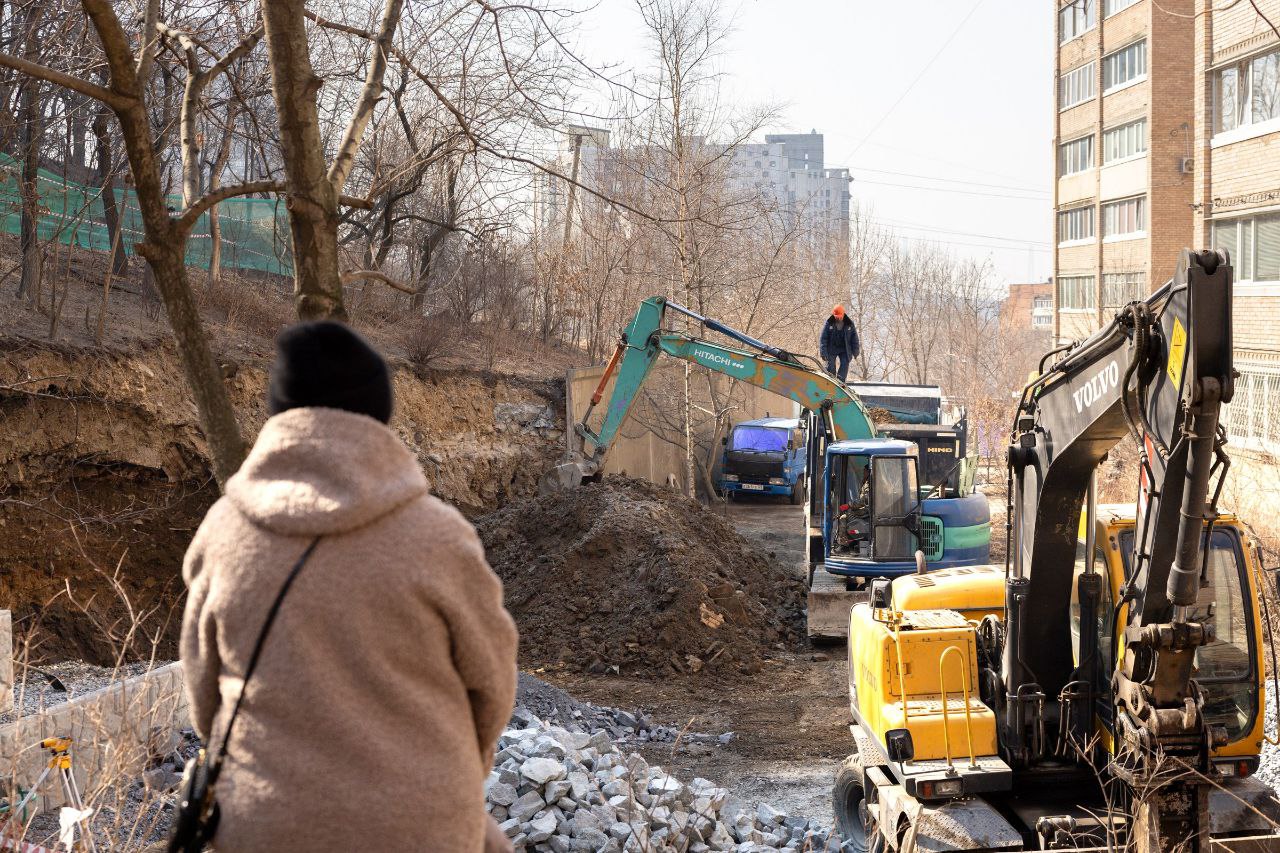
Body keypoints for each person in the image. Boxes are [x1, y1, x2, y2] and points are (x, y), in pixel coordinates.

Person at [180, 322, 518, 853]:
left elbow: (203, 697)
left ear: (279, 415)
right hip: (420, 827)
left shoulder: (223, 532)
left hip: (267, 830)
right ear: (379, 415)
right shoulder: (440, 537)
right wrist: (448, 775)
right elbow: (493, 684)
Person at [819, 305, 859, 383]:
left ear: (843, 314)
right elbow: (823, 338)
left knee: (845, 363)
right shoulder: (829, 323)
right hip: (832, 348)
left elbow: (854, 339)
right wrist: (823, 352)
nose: (838, 318)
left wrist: (856, 351)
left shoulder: (849, 324)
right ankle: (831, 381)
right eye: (836, 316)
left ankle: (840, 382)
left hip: (845, 348)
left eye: (840, 316)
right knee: (830, 365)